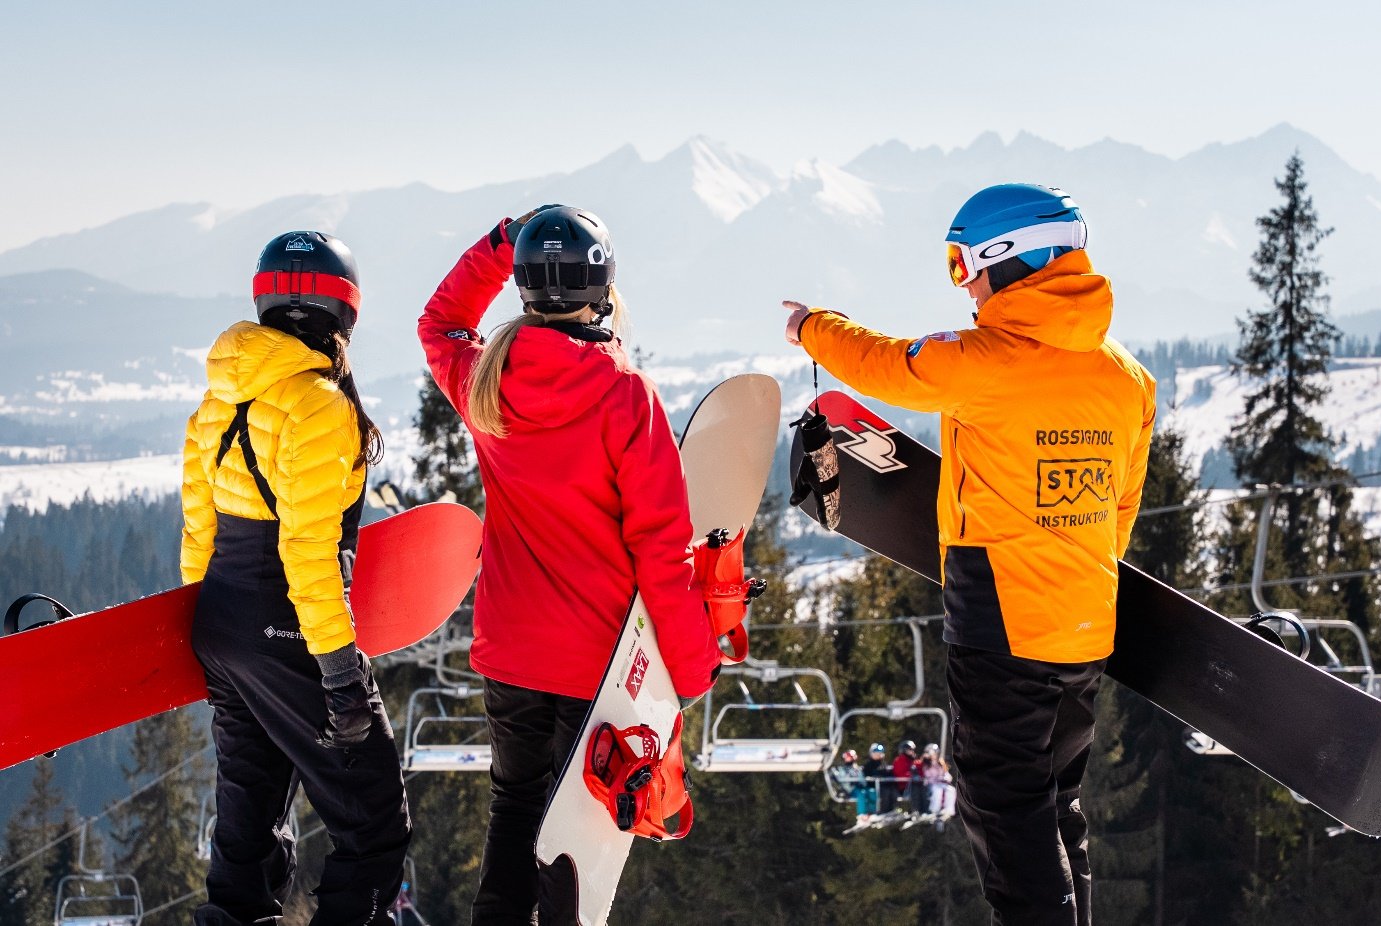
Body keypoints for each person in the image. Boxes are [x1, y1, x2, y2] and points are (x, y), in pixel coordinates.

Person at [784, 184, 1156, 926]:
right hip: (1084, 628)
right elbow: (1118, 511)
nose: (965, 288)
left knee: (1001, 806)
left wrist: (811, 327)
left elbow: (888, 366)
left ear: (1008, 261)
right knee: (1055, 805)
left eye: (963, 267)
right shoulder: (1127, 380)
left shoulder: (985, 361)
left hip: (1002, 626)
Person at [418, 205, 722, 924]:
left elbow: (441, 323)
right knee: (577, 848)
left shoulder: (487, 385)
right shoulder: (626, 398)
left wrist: (501, 244)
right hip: (598, 665)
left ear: (525, 288)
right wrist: (692, 663)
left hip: (509, 653)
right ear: (603, 285)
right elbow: (661, 552)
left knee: (514, 812)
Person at [183, 231, 410, 925]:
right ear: (345, 313)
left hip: (220, 625)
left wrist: (210, 653)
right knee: (372, 827)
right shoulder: (318, 404)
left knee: (247, 831)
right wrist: (341, 676)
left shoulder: (218, 402)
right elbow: (309, 551)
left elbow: (199, 535)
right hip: (292, 629)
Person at [919, 743, 957, 824]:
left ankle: (949, 810)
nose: (934, 755)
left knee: (951, 790)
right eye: (932, 753)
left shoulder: (940, 762)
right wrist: (936, 778)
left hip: (941, 783)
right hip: (931, 784)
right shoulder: (925, 763)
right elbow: (926, 775)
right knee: (937, 791)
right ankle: (934, 810)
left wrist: (946, 777)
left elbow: (946, 773)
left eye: (935, 753)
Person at [831, 748, 872, 821]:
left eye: (849, 758)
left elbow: (862, 778)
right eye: (847, 758)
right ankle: (861, 815)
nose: (848, 759)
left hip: (860, 788)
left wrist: (862, 784)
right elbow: (842, 779)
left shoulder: (858, 769)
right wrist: (851, 783)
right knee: (861, 794)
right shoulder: (842, 769)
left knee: (872, 792)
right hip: (850, 790)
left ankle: (872, 813)